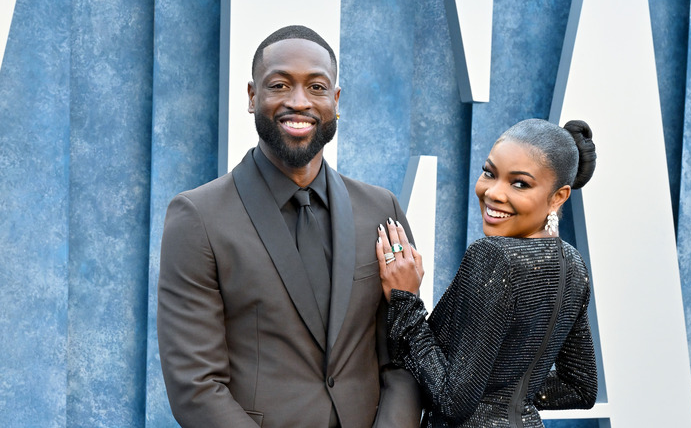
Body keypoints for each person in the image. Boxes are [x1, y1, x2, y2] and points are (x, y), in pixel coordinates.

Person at [157, 25, 422, 428]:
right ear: (252, 96)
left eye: (316, 88)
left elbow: (403, 358)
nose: (299, 102)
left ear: (335, 100)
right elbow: (196, 386)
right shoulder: (198, 218)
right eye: (280, 85)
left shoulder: (380, 209)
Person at [375, 118, 598, 427]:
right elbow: (580, 387)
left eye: (519, 183)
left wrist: (406, 300)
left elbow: (452, 401)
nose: (493, 193)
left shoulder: (493, 256)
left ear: (559, 196)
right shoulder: (573, 265)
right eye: (489, 173)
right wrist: (506, 394)